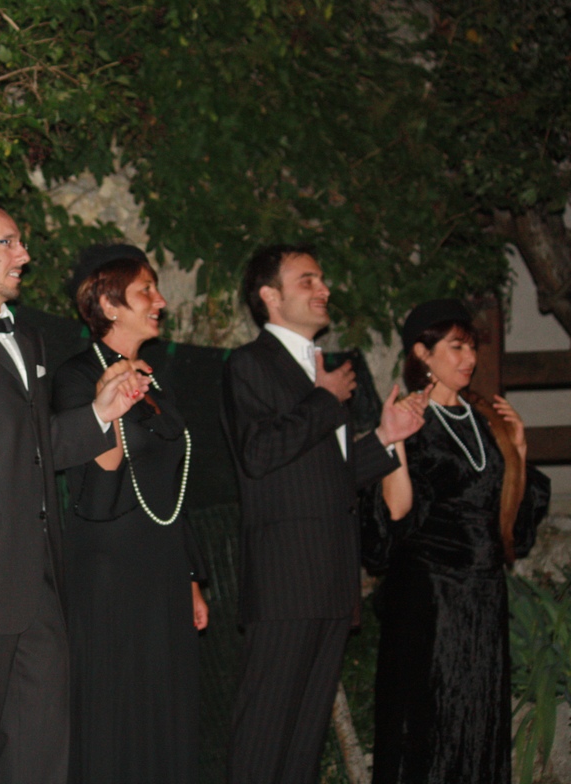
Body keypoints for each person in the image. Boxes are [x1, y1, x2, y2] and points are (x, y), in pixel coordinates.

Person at [0, 201, 149, 784]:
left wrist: (100, 412)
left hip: (37, 583)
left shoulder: (29, 339)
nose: (24, 254)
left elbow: (35, 448)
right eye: (8, 242)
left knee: (41, 754)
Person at [220, 244, 427, 784]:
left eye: (322, 279)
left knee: (303, 741)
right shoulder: (250, 364)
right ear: (270, 296)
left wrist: (386, 438)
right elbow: (258, 454)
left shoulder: (319, 370)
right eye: (307, 280)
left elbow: (327, 475)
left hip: (331, 577)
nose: (323, 289)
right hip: (286, 581)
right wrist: (323, 399)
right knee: (263, 734)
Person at [364, 299, 549, 784]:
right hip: (429, 600)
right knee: (428, 724)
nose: (469, 358)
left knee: (477, 719)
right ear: (422, 353)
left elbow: (514, 524)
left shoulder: (486, 418)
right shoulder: (412, 418)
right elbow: (396, 514)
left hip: (482, 596)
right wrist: (394, 441)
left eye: (471, 347)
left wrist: (518, 451)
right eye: (456, 347)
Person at [52, 243, 210, 784]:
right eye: (146, 291)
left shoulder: (155, 379)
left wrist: (190, 576)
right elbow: (96, 497)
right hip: (110, 571)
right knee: (115, 710)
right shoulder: (77, 377)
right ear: (108, 304)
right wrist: (110, 406)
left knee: (166, 707)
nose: (160, 301)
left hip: (163, 566)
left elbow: (173, 489)